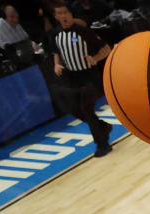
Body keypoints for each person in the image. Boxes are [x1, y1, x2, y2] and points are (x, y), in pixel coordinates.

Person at [44, 2, 111, 157]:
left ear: (71, 14)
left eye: (65, 13)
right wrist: (56, 65)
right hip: (72, 78)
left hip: (89, 77)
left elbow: (106, 48)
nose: (63, 16)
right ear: (56, 17)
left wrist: (95, 58)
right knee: (75, 110)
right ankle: (103, 127)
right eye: (59, 14)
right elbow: (56, 52)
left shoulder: (83, 32)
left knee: (87, 110)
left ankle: (102, 144)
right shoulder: (55, 34)